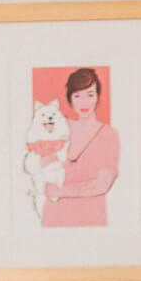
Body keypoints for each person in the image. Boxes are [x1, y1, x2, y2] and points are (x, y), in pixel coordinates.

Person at [42, 67, 120, 229]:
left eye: (90, 95)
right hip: (55, 217)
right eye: (77, 96)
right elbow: (43, 170)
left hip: (91, 217)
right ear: (70, 99)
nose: (84, 102)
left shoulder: (109, 135)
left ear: (98, 97)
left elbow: (102, 185)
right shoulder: (58, 127)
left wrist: (60, 190)